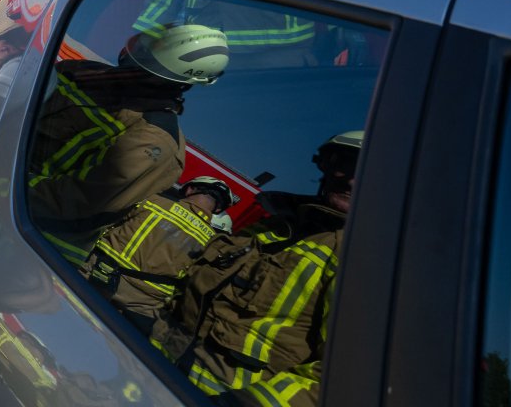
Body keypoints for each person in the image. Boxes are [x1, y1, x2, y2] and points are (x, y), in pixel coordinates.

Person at [150, 131, 363, 407]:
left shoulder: (361, 259)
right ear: (327, 166)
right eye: (348, 164)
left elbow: (340, 376)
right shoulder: (272, 227)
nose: (351, 179)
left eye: (371, 175)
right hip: (148, 370)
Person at [25, 24, 231, 266]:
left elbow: (77, 204)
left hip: (36, 245)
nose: (131, 49)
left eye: (147, 49)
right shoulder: (83, 73)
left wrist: (3, 182)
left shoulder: (156, 140)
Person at [82, 176, 238, 333]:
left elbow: (107, 219)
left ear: (190, 189)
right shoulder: (212, 242)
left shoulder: (154, 202)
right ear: (218, 209)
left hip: (98, 276)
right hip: (143, 307)